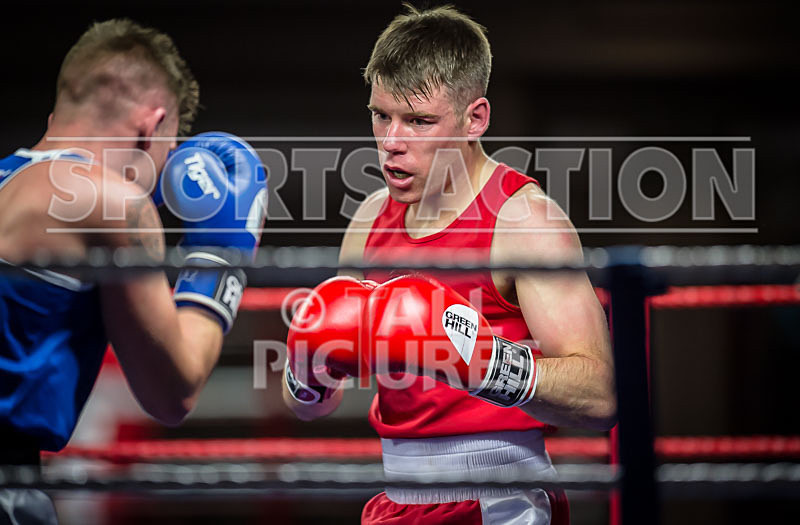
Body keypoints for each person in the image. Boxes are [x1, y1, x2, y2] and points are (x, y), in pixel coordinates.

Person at [283, 5, 615, 524]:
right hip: (396, 500)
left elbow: (599, 397)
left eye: (418, 121)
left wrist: (483, 366)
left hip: (501, 499)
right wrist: (306, 371)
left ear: (474, 118)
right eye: (381, 115)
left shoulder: (523, 222)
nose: (392, 141)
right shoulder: (369, 220)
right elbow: (311, 405)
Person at [0, 19, 266, 523]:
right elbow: (173, 391)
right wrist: (221, 252)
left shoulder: (11, 179)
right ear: (152, 127)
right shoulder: (111, 201)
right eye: (167, 152)